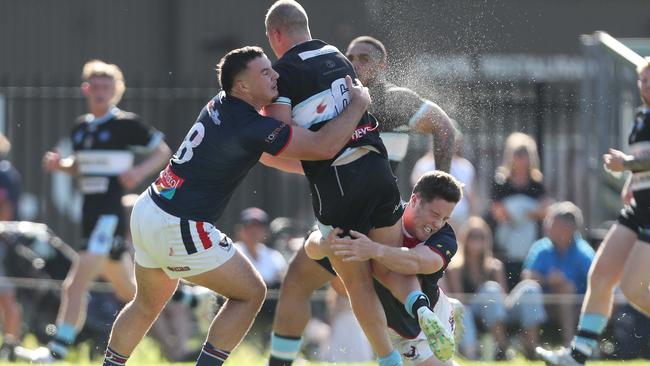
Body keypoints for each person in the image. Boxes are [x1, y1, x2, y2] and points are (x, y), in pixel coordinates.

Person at [101, 46, 373, 366]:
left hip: (150, 208)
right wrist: (358, 105)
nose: (276, 75)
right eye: (266, 72)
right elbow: (323, 146)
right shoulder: (249, 126)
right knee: (251, 294)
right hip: (180, 223)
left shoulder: (222, 103)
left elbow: (273, 152)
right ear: (242, 86)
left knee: (144, 305)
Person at [263, 2, 424, 365]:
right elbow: (441, 125)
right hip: (381, 176)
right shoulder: (338, 57)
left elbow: (279, 138)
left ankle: (389, 360)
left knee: (356, 284)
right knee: (387, 266)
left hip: (339, 186)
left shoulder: (282, 72)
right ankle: (423, 307)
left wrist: (257, 145)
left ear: (275, 35)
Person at [22, 59, 172, 363]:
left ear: (116, 90)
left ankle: (57, 352)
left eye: (107, 86)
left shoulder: (125, 124)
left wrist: (138, 172)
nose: (101, 92)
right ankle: (175, 333)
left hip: (108, 217)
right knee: (129, 291)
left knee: (74, 284)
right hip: (90, 217)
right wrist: (60, 166)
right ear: (86, 89)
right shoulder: (82, 127)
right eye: (96, 86)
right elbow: (80, 167)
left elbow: (162, 151)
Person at [536, 57, 650, 366]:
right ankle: (577, 357)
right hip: (640, 206)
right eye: (643, 79)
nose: (646, 84)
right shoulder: (642, 116)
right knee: (600, 277)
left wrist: (625, 165)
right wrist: (631, 180)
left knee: (635, 290)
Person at [305, 171, 465, 365]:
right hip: (388, 319)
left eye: (445, 219)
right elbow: (311, 245)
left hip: (415, 322)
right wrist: (324, 245)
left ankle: (440, 311)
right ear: (414, 200)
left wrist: (374, 250)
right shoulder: (382, 216)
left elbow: (418, 262)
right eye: (435, 215)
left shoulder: (445, 236)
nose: (438, 224)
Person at [345, 35, 455, 173]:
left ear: (381, 65)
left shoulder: (394, 98)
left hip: (378, 194)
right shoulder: (337, 97)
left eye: (364, 58)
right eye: (349, 58)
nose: (354, 64)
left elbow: (444, 127)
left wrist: (441, 183)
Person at [445, 216, 546, 360]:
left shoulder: (495, 266)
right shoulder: (456, 268)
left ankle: (532, 348)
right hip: (471, 313)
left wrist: (490, 299)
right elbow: (460, 300)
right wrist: (485, 297)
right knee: (489, 290)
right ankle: (501, 349)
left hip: (498, 311)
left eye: (481, 236)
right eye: (472, 236)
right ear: (464, 239)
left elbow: (503, 299)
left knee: (531, 288)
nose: (477, 240)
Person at [522, 202, 594, 346]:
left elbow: (595, 286)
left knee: (566, 288)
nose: (546, 227)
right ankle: (532, 349)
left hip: (578, 309)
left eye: (551, 223)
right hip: (545, 306)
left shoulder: (585, 254)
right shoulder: (541, 248)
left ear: (566, 229)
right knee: (533, 290)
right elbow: (526, 278)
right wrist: (548, 280)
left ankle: (570, 345)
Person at [490, 132, 550, 290]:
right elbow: (497, 210)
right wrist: (515, 216)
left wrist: (524, 215)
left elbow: (544, 209)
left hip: (529, 237)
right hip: (507, 236)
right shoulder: (501, 182)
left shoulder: (537, 183)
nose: (520, 158)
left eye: (524, 153)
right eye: (517, 153)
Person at [411, 124, 477, 229]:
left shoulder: (466, 166)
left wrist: (473, 219)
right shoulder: (423, 165)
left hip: (460, 220)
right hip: (431, 220)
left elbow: (471, 196)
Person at [0, 133, 23, 360]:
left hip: (2, 243)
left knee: (5, 295)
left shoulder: (4, 173)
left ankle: (11, 344)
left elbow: (5, 209)